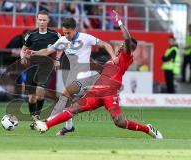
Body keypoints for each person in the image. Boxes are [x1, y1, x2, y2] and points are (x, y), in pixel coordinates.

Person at [33, 10, 163, 140]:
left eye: (124, 45)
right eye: (122, 44)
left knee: (120, 122)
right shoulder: (112, 60)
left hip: (109, 92)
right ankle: (47, 125)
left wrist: (119, 22)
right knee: (73, 109)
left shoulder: (126, 57)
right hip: (95, 92)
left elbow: (127, 39)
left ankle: (147, 129)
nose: (121, 45)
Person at [25, 17, 116, 136]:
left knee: (64, 95)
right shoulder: (63, 40)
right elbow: (48, 51)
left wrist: (114, 57)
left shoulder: (86, 38)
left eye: (68, 33)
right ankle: (69, 127)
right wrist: (34, 53)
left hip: (84, 76)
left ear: (74, 30)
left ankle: (48, 122)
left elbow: (106, 45)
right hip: (72, 75)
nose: (66, 35)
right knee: (67, 102)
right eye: (64, 33)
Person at [20, 10, 61, 125]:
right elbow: (23, 49)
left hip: (46, 67)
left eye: (44, 20)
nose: (42, 22)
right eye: (40, 20)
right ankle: (34, 119)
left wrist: (57, 60)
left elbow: (61, 47)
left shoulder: (54, 35)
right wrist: (23, 57)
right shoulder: (31, 35)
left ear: (48, 21)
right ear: (37, 20)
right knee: (32, 98)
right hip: (32, 67)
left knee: (40, 92)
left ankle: (37, 116)